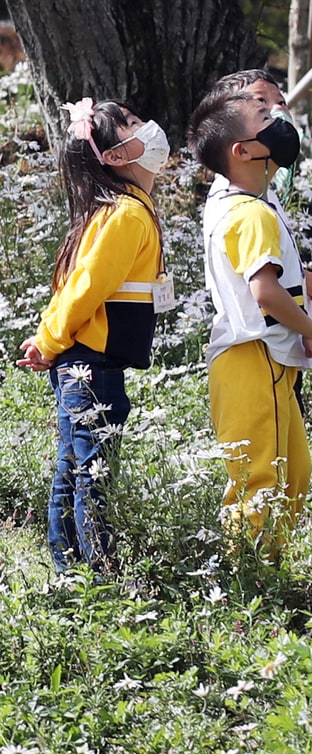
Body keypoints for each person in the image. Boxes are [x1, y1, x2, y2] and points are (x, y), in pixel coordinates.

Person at [19, 99, 172, 572]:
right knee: (93, 472)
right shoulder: (125, 214)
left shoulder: (122, 209)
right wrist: (48, 340)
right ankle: (94, 575)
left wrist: (50, 341)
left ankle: (69, 573)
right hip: (90, 363)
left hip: (86, 360)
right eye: (131, 123)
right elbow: (85, 288)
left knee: (75, 466)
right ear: (117, 156)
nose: (146, 127)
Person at [189, 86, 312, 549]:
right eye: (265, 116)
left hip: (266, 360)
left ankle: (268, 572)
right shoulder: (249, 212)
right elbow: (265, 291)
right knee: (260, 481)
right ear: (243, 150)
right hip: (255, 356)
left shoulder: (239, 204)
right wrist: (311, 330)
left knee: (293, 475)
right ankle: (247, 586)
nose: (280, 120)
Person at [198, 70, 312, 318]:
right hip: (261, 347)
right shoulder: (241, 198)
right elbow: (261, 287)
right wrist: (306, 328)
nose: (277, 112)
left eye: (281, 102)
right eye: (261, 104)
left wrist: (303, 280)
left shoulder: (258, 187)